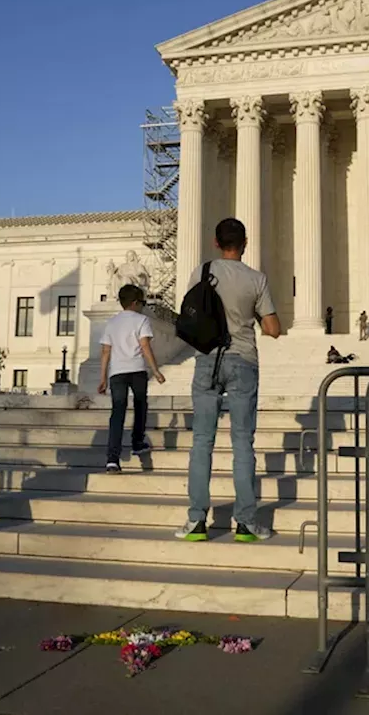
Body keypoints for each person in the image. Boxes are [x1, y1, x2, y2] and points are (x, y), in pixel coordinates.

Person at [175, 218, 281, 543]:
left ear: (216, 242)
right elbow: (274, 328)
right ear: (245, 242)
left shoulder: (202, 272)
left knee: (201, 442)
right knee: (241, 443)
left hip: (207, 360)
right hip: (243, 361)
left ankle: (196, 522)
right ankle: (246, 523)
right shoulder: (256, 278)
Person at [97, 283, 164, 473]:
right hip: (136, 370)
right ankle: (137, 442)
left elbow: (105, 351)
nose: (143, 306)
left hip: (116, 372)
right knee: (140, 404)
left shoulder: (111, 322)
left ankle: (112, 459)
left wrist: (102, 378)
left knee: (117, 412)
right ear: (135, 303)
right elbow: (145, 347)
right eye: (142, 302)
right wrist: (156, 371)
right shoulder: (141, 320)